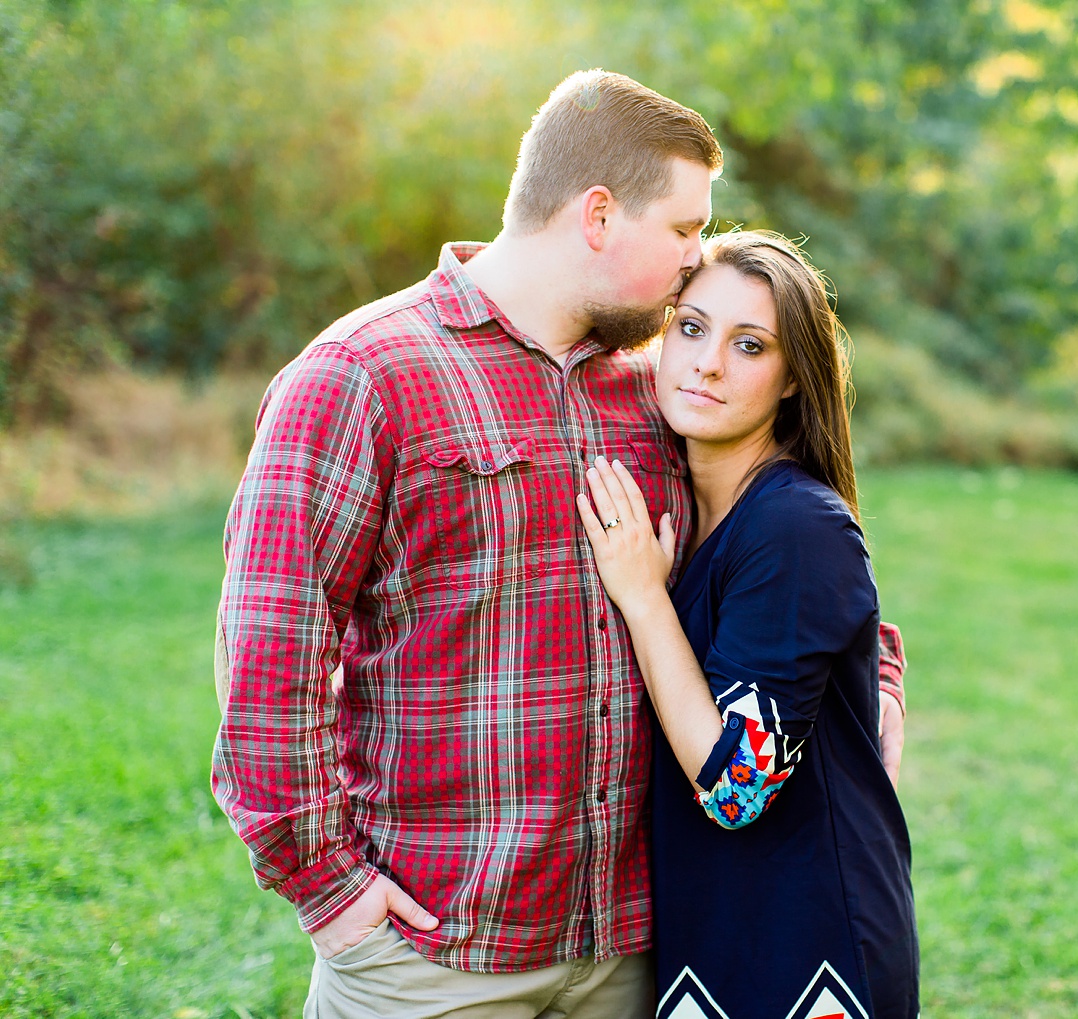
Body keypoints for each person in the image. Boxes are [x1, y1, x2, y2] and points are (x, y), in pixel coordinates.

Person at [211, 70, 906, 1018]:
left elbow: (785, 563)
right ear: (598, 214)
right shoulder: (362, 376)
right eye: (684, 231)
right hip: (438, 952)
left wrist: (880, 684)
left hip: (639, 948)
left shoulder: (655, 391)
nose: (694, 261)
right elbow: (269, 650)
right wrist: (330, 889)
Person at [576, 231, 918, 1019]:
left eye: (749, 344)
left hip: (808, 945)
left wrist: (643, 597)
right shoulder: (702, 510)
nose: (707, 363)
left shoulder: (794, 523)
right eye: (690, 328)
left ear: (795, 376)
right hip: (720, 922)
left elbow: (736, 788)